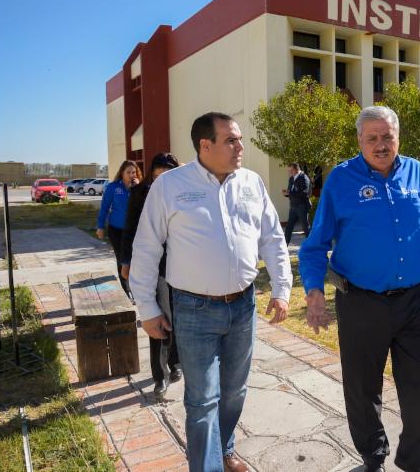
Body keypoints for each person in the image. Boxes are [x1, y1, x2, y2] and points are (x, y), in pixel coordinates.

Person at [298, 106, 420, 472]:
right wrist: (313, 291)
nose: (380, 144)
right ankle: (374, 458)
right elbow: (314, 246)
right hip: (360, 304)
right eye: (372, 138)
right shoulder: (341, 180)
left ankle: (412, 461)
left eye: (387, 136)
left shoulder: (417, 172)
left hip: (412, 304)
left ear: (398, 137)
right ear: (359, 140)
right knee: (362, 390)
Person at [129, 112, 292, 472]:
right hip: (193, 310)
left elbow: (272, 238)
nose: (240, 146)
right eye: (231, 140)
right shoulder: (170, 186)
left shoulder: (251, 182)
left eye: (240, 139)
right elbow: (146, 248)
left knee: (234, 391)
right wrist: (147, 308)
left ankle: (225, 447)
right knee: (202, 400)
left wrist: (281, 289)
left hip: (243, 306)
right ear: (206, 145)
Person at [119, 152, 181, 400]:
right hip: (154, 266)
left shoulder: (185, 193)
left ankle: (176, 362)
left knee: (178, 316)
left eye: (169, 176)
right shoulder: (140, 194)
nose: (162, 182)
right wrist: (126, 261)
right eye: (158, 177)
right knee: (158, 318)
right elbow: (130, 228)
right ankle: (159, 377)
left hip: (183, 267)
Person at [97, 160, 141, 295]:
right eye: (128, 172)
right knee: (122, 259)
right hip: (116, 230)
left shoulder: (139, 187)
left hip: (135, 230)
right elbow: (104, 208)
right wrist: (100, 226)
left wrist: (138, 188)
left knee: (135, 259)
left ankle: (136, 286)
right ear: (122, 173)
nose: (131, 175)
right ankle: (126, 289)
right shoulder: (113, 187)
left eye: (134, 172)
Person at [281, 162, 312, 244]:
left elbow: (304, 193)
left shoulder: (304, 178)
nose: (289, 172)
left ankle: (312, 248)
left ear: (296, 169)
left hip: (302, 206)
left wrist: (290, 193)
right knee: (288, 228)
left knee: (306, 228)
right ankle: (284, 248)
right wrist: (286, 194)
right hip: (293, 206)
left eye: (291, 170)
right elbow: (290, 191)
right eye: (289, 171)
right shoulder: (291, 179)